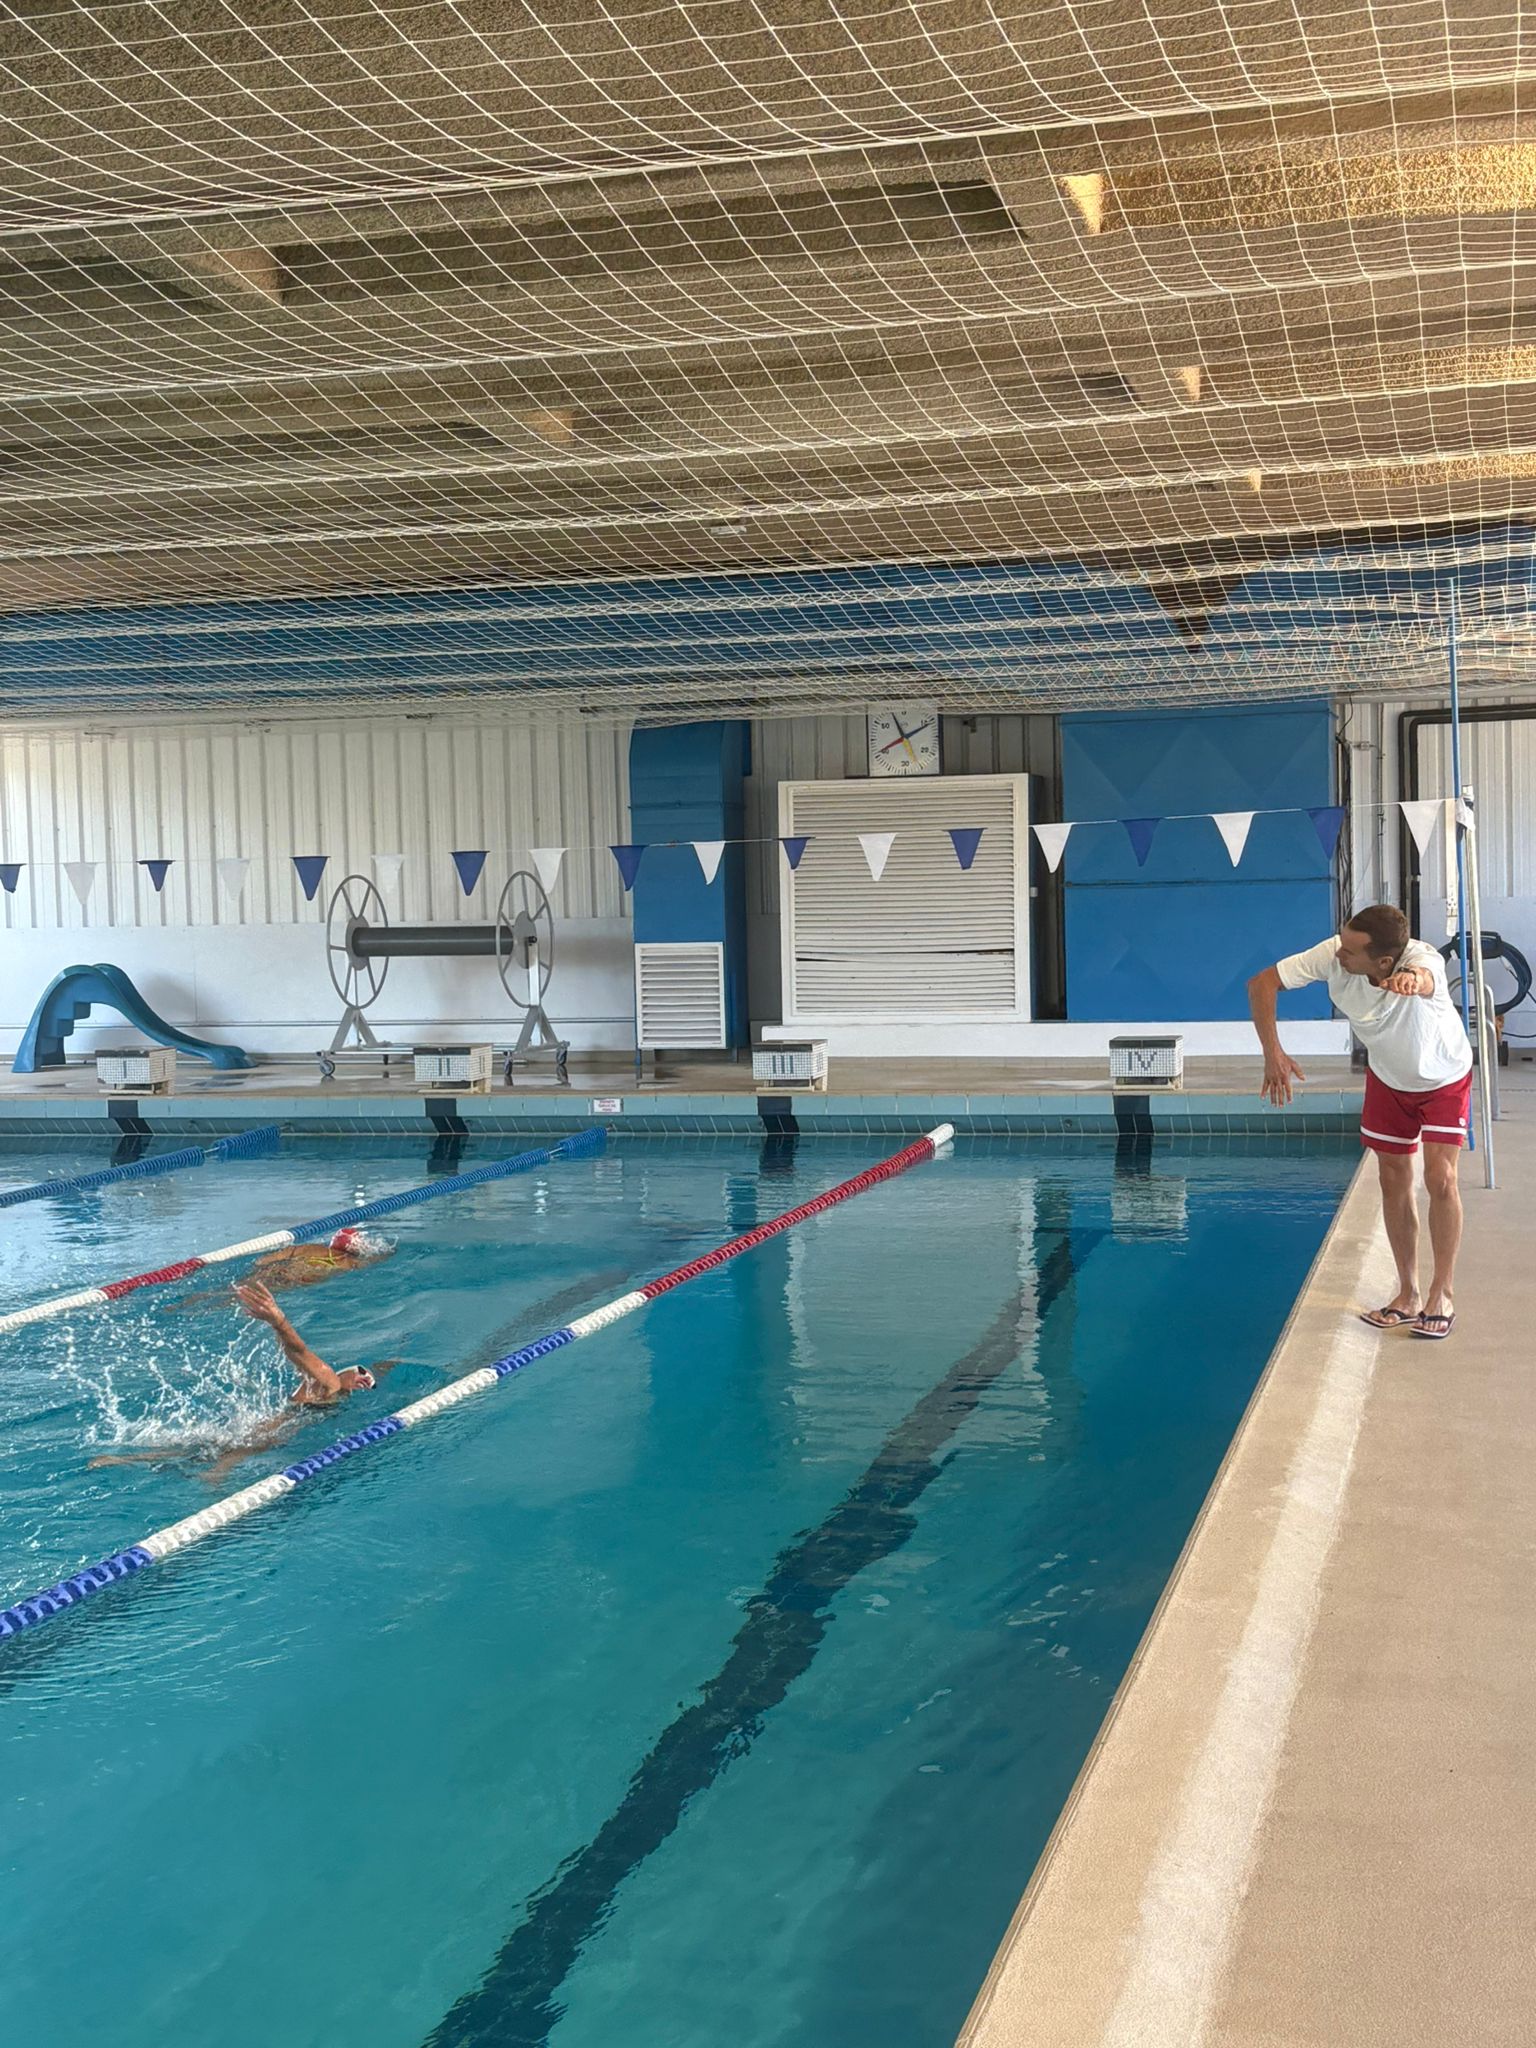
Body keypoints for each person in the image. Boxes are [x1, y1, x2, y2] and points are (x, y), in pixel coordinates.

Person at [1247, 903, 1472, 1341]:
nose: (1339, 955)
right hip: (1389, 1077)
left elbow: (1425, 980)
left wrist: (1413, 982)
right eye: (1342, 942)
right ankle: (1407, 1294)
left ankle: (1441, 1294)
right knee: (1393, 1177)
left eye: (1351, 951)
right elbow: (1261, 983)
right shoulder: (1333, 952)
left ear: (1385, 962)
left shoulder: (1422, 961)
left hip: (1443, 1076)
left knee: (1441, 1177)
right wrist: (1272, 1052)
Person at [90, 1280, 394, 1483]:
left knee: (201, 1449)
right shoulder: (329, 1381)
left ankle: (122, 1459)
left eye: (368, 1383)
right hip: (273, 1427)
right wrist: (280, 1322)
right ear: (347, 1371)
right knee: (226, 1456)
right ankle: (219, 1472)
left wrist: (390, 1362)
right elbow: (299, 1351)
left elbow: (295, 1355)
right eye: (361, 1374)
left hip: (264, 1424)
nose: (363, 1381)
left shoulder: (334, 1391)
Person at [161, 1226, 391, 1314]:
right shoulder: (350, 1263)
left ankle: (182, 1305)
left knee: (231, 1289)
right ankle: (195, 1313)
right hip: (296, 1278)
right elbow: (378, 1259)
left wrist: (263, 1263)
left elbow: (273, 1257)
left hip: (278, 1268)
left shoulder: (312, 1247)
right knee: (237, 1299)